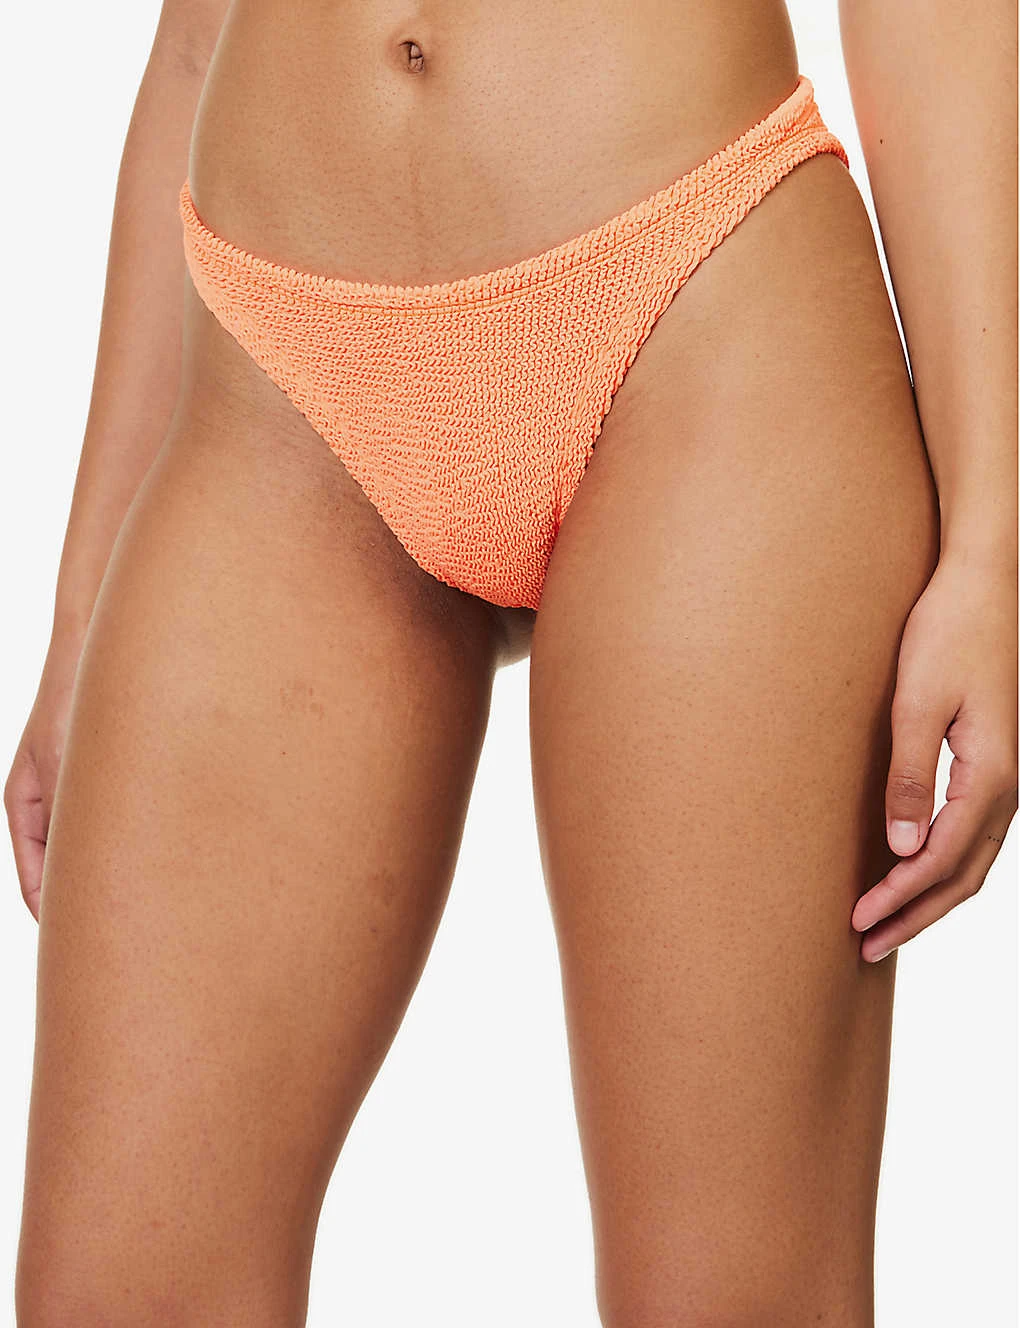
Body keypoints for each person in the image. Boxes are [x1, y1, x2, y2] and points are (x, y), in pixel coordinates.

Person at [5, 0, 1016, 1323]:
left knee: (725, 1299)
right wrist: (82, 604)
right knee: (118, 1295)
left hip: (699, 301)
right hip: (273, 376)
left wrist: (995, 548)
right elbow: (196, 33)